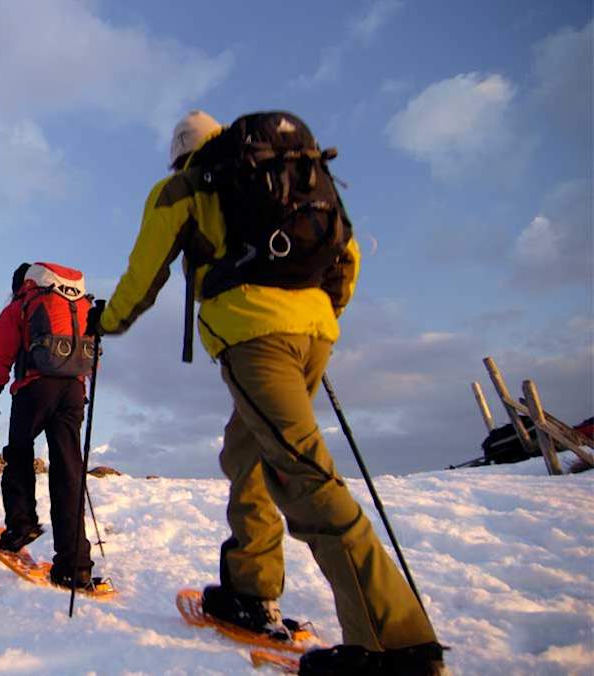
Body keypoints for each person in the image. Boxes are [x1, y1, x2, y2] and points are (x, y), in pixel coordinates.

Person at [87, 111, 447, 675]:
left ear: (179, 153)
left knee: (304, 476)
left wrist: (102, 321)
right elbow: (346, 254)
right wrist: (318, 313)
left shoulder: (185, 186)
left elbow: (142, 278)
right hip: (312, 329)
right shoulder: (291, 173)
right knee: (247, 453)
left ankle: (395, 646)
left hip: (255, 336)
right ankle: (250, 591)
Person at [0, 261, 97, 590]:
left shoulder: (23, 303)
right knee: (69, 472)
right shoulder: (78, 304)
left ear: (21, 283)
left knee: (18, 451)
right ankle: (75, 566)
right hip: (73, 390)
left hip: (35, 388)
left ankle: (21, 525)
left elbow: (2, 351)